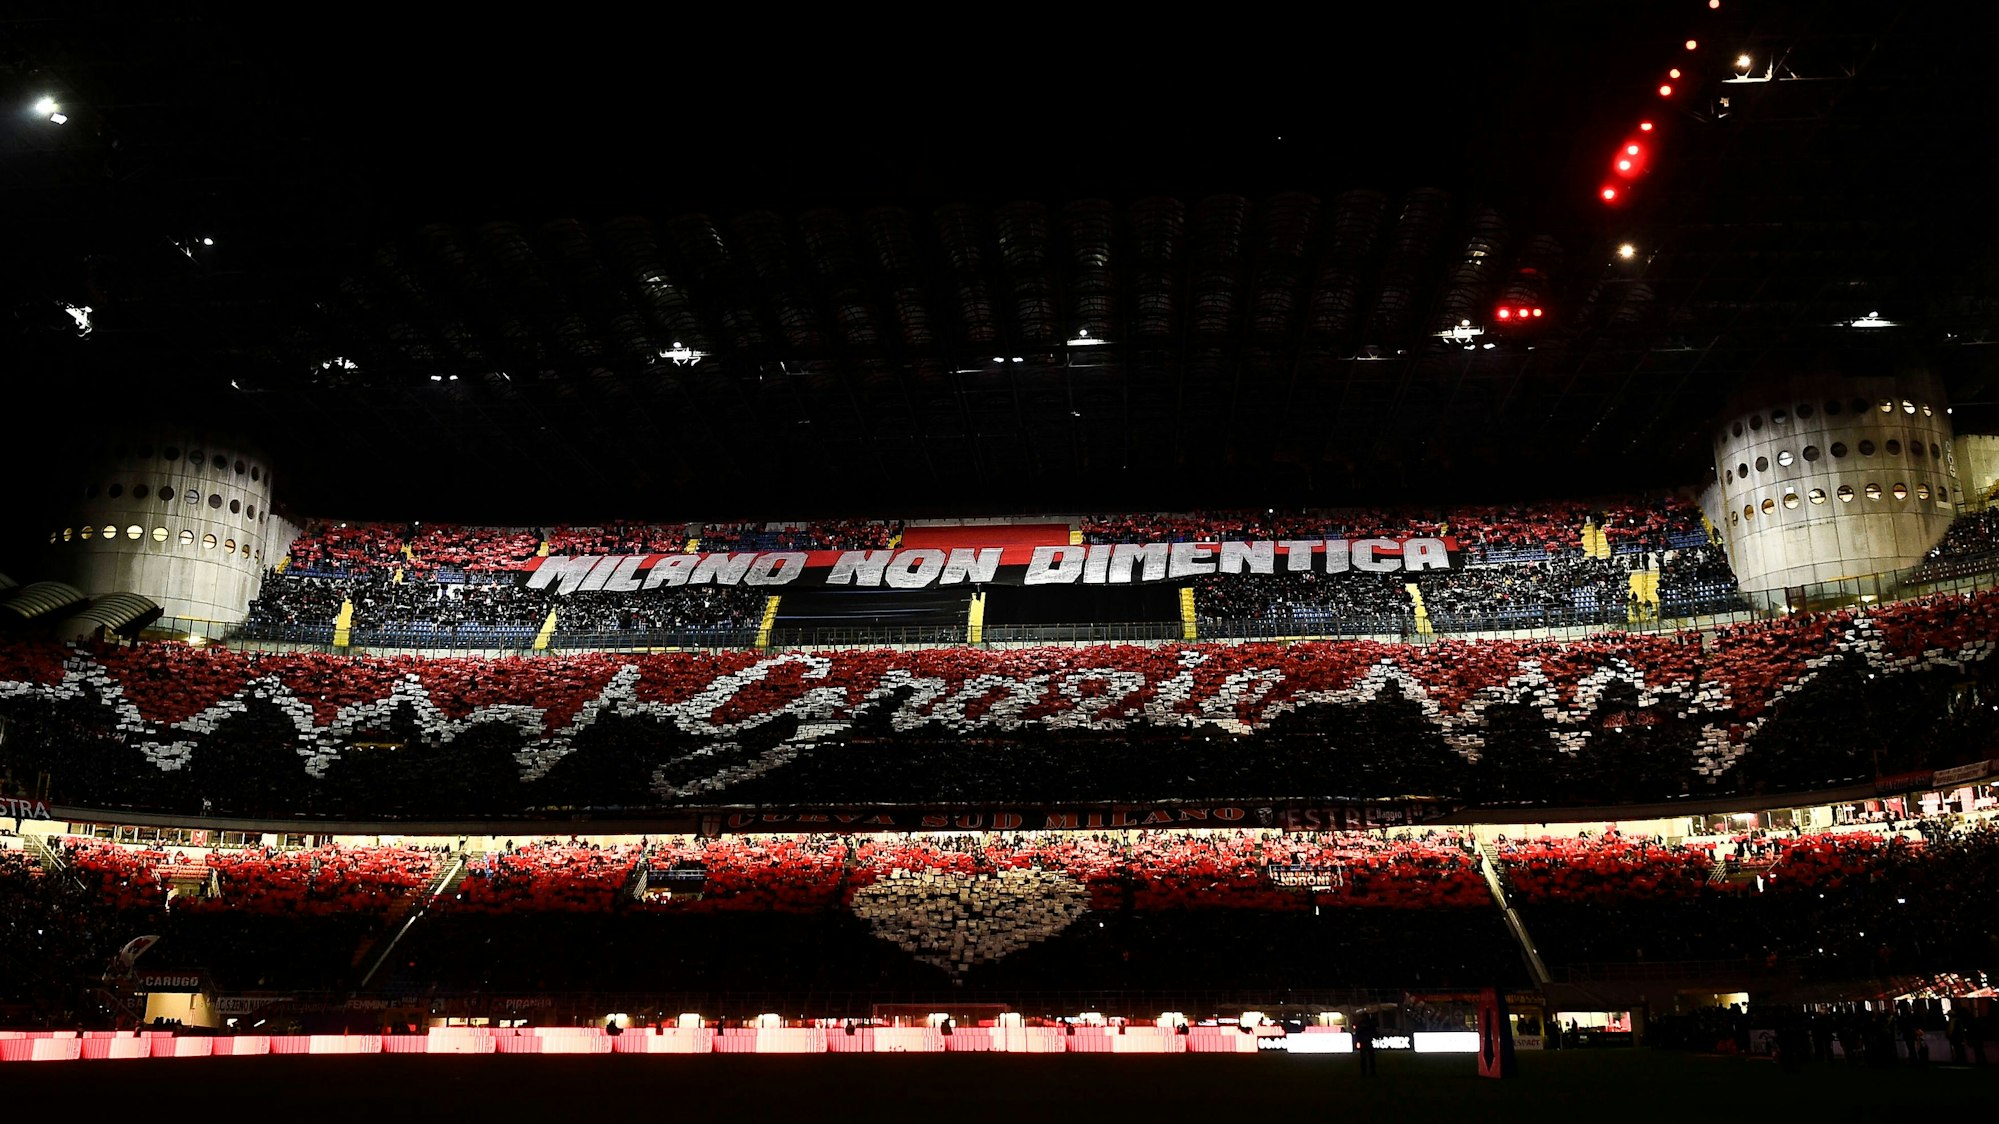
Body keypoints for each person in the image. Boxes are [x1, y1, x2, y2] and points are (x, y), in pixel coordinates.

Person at [1354, 1012, 1379, 1077]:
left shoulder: (1361, 1023)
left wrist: (1358, 1040)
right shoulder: (1369, 1023)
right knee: (1370, 1058)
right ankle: (1371, 1072)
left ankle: (1365, 1072)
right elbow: (1374, 1031)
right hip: (1367, 1042)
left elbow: (1358, 1032)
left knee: (1365, 1058)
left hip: (1364, 1042)